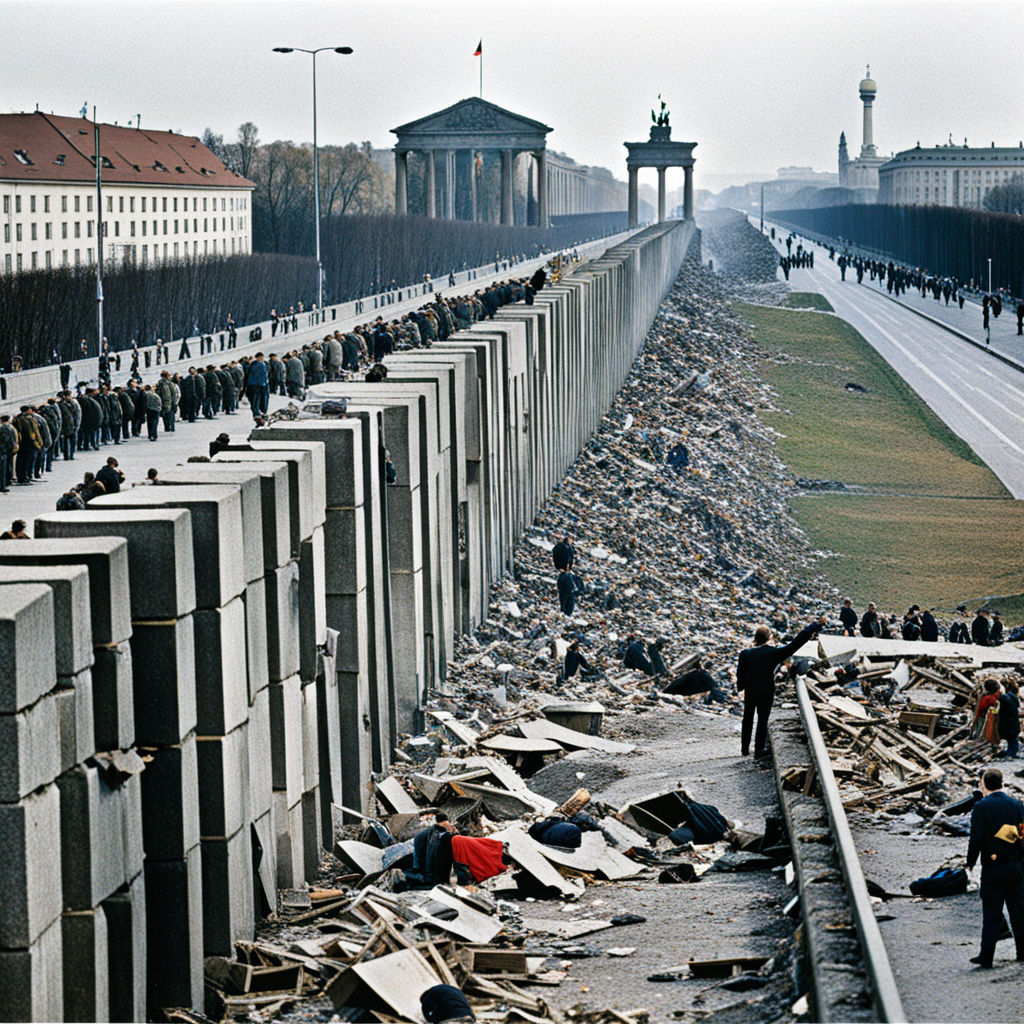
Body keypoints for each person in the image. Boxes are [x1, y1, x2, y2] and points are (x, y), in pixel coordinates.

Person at [965, 768, 1024, 968]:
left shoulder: (981, 807)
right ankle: (1022, 952)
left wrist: (970, 863)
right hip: (1015, 866)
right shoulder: (1017, 805)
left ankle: (986, 956)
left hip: (993, 868)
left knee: (992, 912)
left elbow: (976, 839)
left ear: (984, 785)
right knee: (1019, 912)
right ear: (1001, 783)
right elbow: (1023, 835)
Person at [736, 620, 821, 757]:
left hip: (751, 690)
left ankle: (744, 749)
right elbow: (794, 645)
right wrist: (813, 627)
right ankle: (758, 750)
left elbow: (740, 673)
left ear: (755, 638)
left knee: (748, 718)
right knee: (762, 719)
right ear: (768, 638)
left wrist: (741, 686)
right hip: (766, 690)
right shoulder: (772, 653)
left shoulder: (745, 654)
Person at [998, 680, 1021, 759]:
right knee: (1013, 738)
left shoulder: (1004, 697)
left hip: (1007, 720)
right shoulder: (1011, 696)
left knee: (1011, 738)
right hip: (1012, 720)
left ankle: (1011, 753)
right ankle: (1012, 752)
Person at [975, 680, 1001, 744]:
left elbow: (981, 708)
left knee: (981, 729)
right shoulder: (996, 696)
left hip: (985, 716)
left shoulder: (986, 697)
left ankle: (979, 741)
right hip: (992, 716)